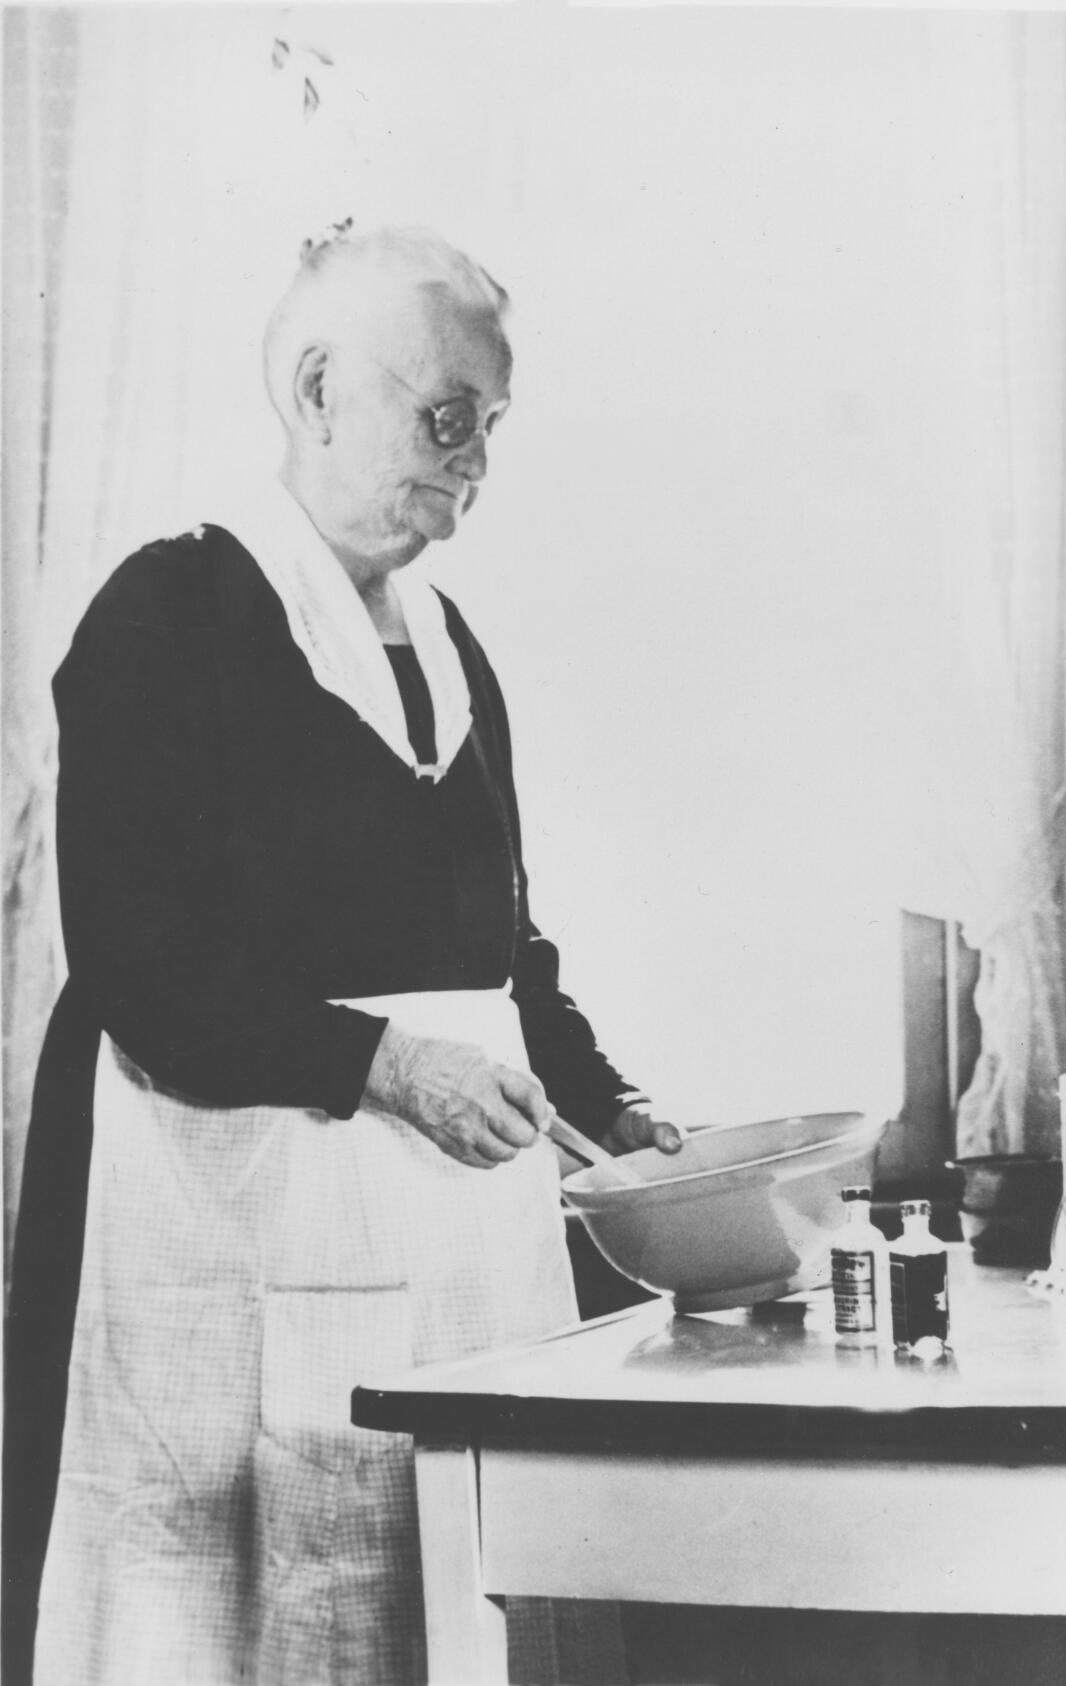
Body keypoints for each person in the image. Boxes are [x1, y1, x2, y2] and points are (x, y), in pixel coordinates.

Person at [3, 223, 681, 1686]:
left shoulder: (453, 651)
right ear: (318, 387)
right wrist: (389, 1065)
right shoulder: (169, 612)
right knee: (221, 1611)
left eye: (490, 430)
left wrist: (613, 1107)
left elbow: (504, 955)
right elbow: (140, 961)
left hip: (432, 1259)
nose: (475, 467)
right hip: (212, 1236)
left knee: (417, 1603)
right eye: (449, 418)